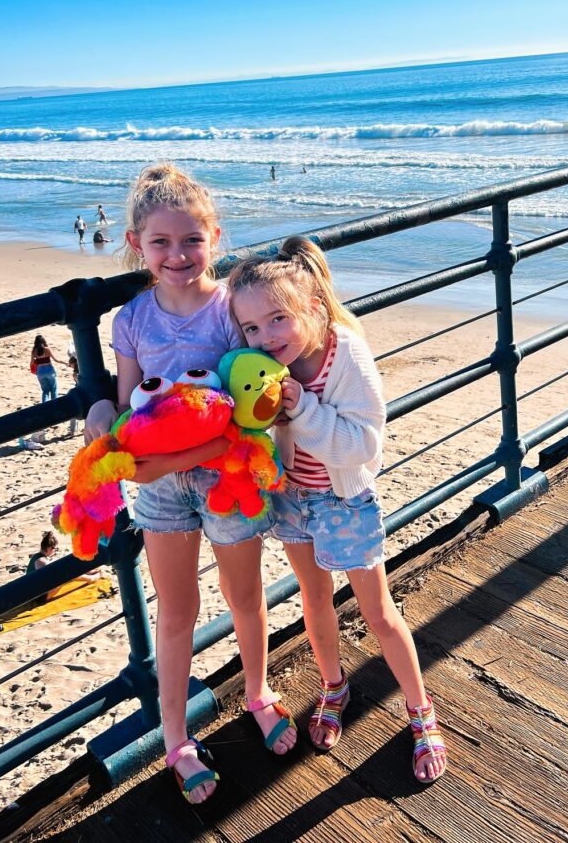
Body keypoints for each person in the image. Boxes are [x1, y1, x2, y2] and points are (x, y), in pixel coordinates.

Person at [83, 162, 296, 804]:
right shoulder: (131, 321)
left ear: (216, 238)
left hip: (226, 474)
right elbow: (128, 405)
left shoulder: (235, 310)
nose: (178, 255)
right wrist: (101, 416)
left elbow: (253, 401)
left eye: (192, 241)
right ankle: (175, 737)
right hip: (160, 493)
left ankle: (257, 692)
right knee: (175, 614)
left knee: (246, 598)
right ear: (136, 246)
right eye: (161, 243)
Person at [227, 236, 448, 784]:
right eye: (251, 328)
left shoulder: (344, 353)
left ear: (314, 310)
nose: (264, 337)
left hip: (343, 499)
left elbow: (362, 447)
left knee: (378, 610)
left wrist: (302, 410)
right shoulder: (258, 364)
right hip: (292, 499)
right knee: (314, 599)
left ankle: (420, 711)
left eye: (278, 319)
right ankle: (333, 685)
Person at [26, 530, 102, 603]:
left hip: (37, 593)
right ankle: (90, 579)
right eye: (55, 549)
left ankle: (88, 573)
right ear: (49, 548)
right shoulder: (41, 561)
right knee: (66, 575)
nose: (55, 551)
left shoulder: (37, 556)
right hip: (40, 597)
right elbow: (54, 575)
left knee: (65, 569)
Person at [30, 334, 67, 403]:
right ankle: (54, 405)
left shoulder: (34, 351)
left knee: (45, 391)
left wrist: (34, 368)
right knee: (54, 389)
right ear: (43, 341)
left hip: (40, 371)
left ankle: (45, 407)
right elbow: (56, 360)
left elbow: (31, 363)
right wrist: (65, 363)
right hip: (49, 370)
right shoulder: (47, 349)